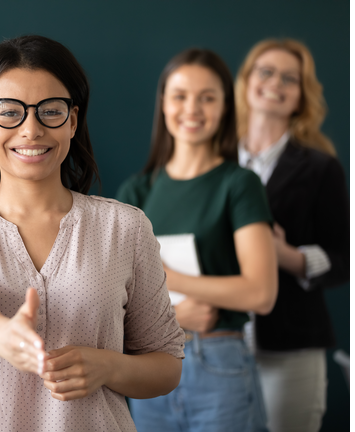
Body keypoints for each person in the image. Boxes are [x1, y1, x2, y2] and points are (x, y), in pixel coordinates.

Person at [0, 35, 185, 432]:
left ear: (72, 121)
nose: (31, 129)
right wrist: (4, 335)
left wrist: (108, 365)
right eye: (9, 112)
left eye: (50, 111)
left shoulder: (125, 228)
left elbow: (166, 366)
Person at [116, 48, 278, 432]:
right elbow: (113, 294)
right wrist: (173, 316)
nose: (193, 108)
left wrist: (169, 279)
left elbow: (261, 293)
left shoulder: (239, 184)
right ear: (163, 104)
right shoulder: (137, 192)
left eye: (208, 97)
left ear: (225, 107)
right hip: (148, 369)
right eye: (180, 96)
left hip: (219, 364)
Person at [235, 39, 350, 432]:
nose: (276, 83)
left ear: (302, 96)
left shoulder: (321, 168)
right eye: (265, 72)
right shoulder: (211, 161)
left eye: (290, 78)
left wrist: (286, 255)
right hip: (218, 344)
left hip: (291, 346)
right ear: (247, 82)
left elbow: (345, 259)